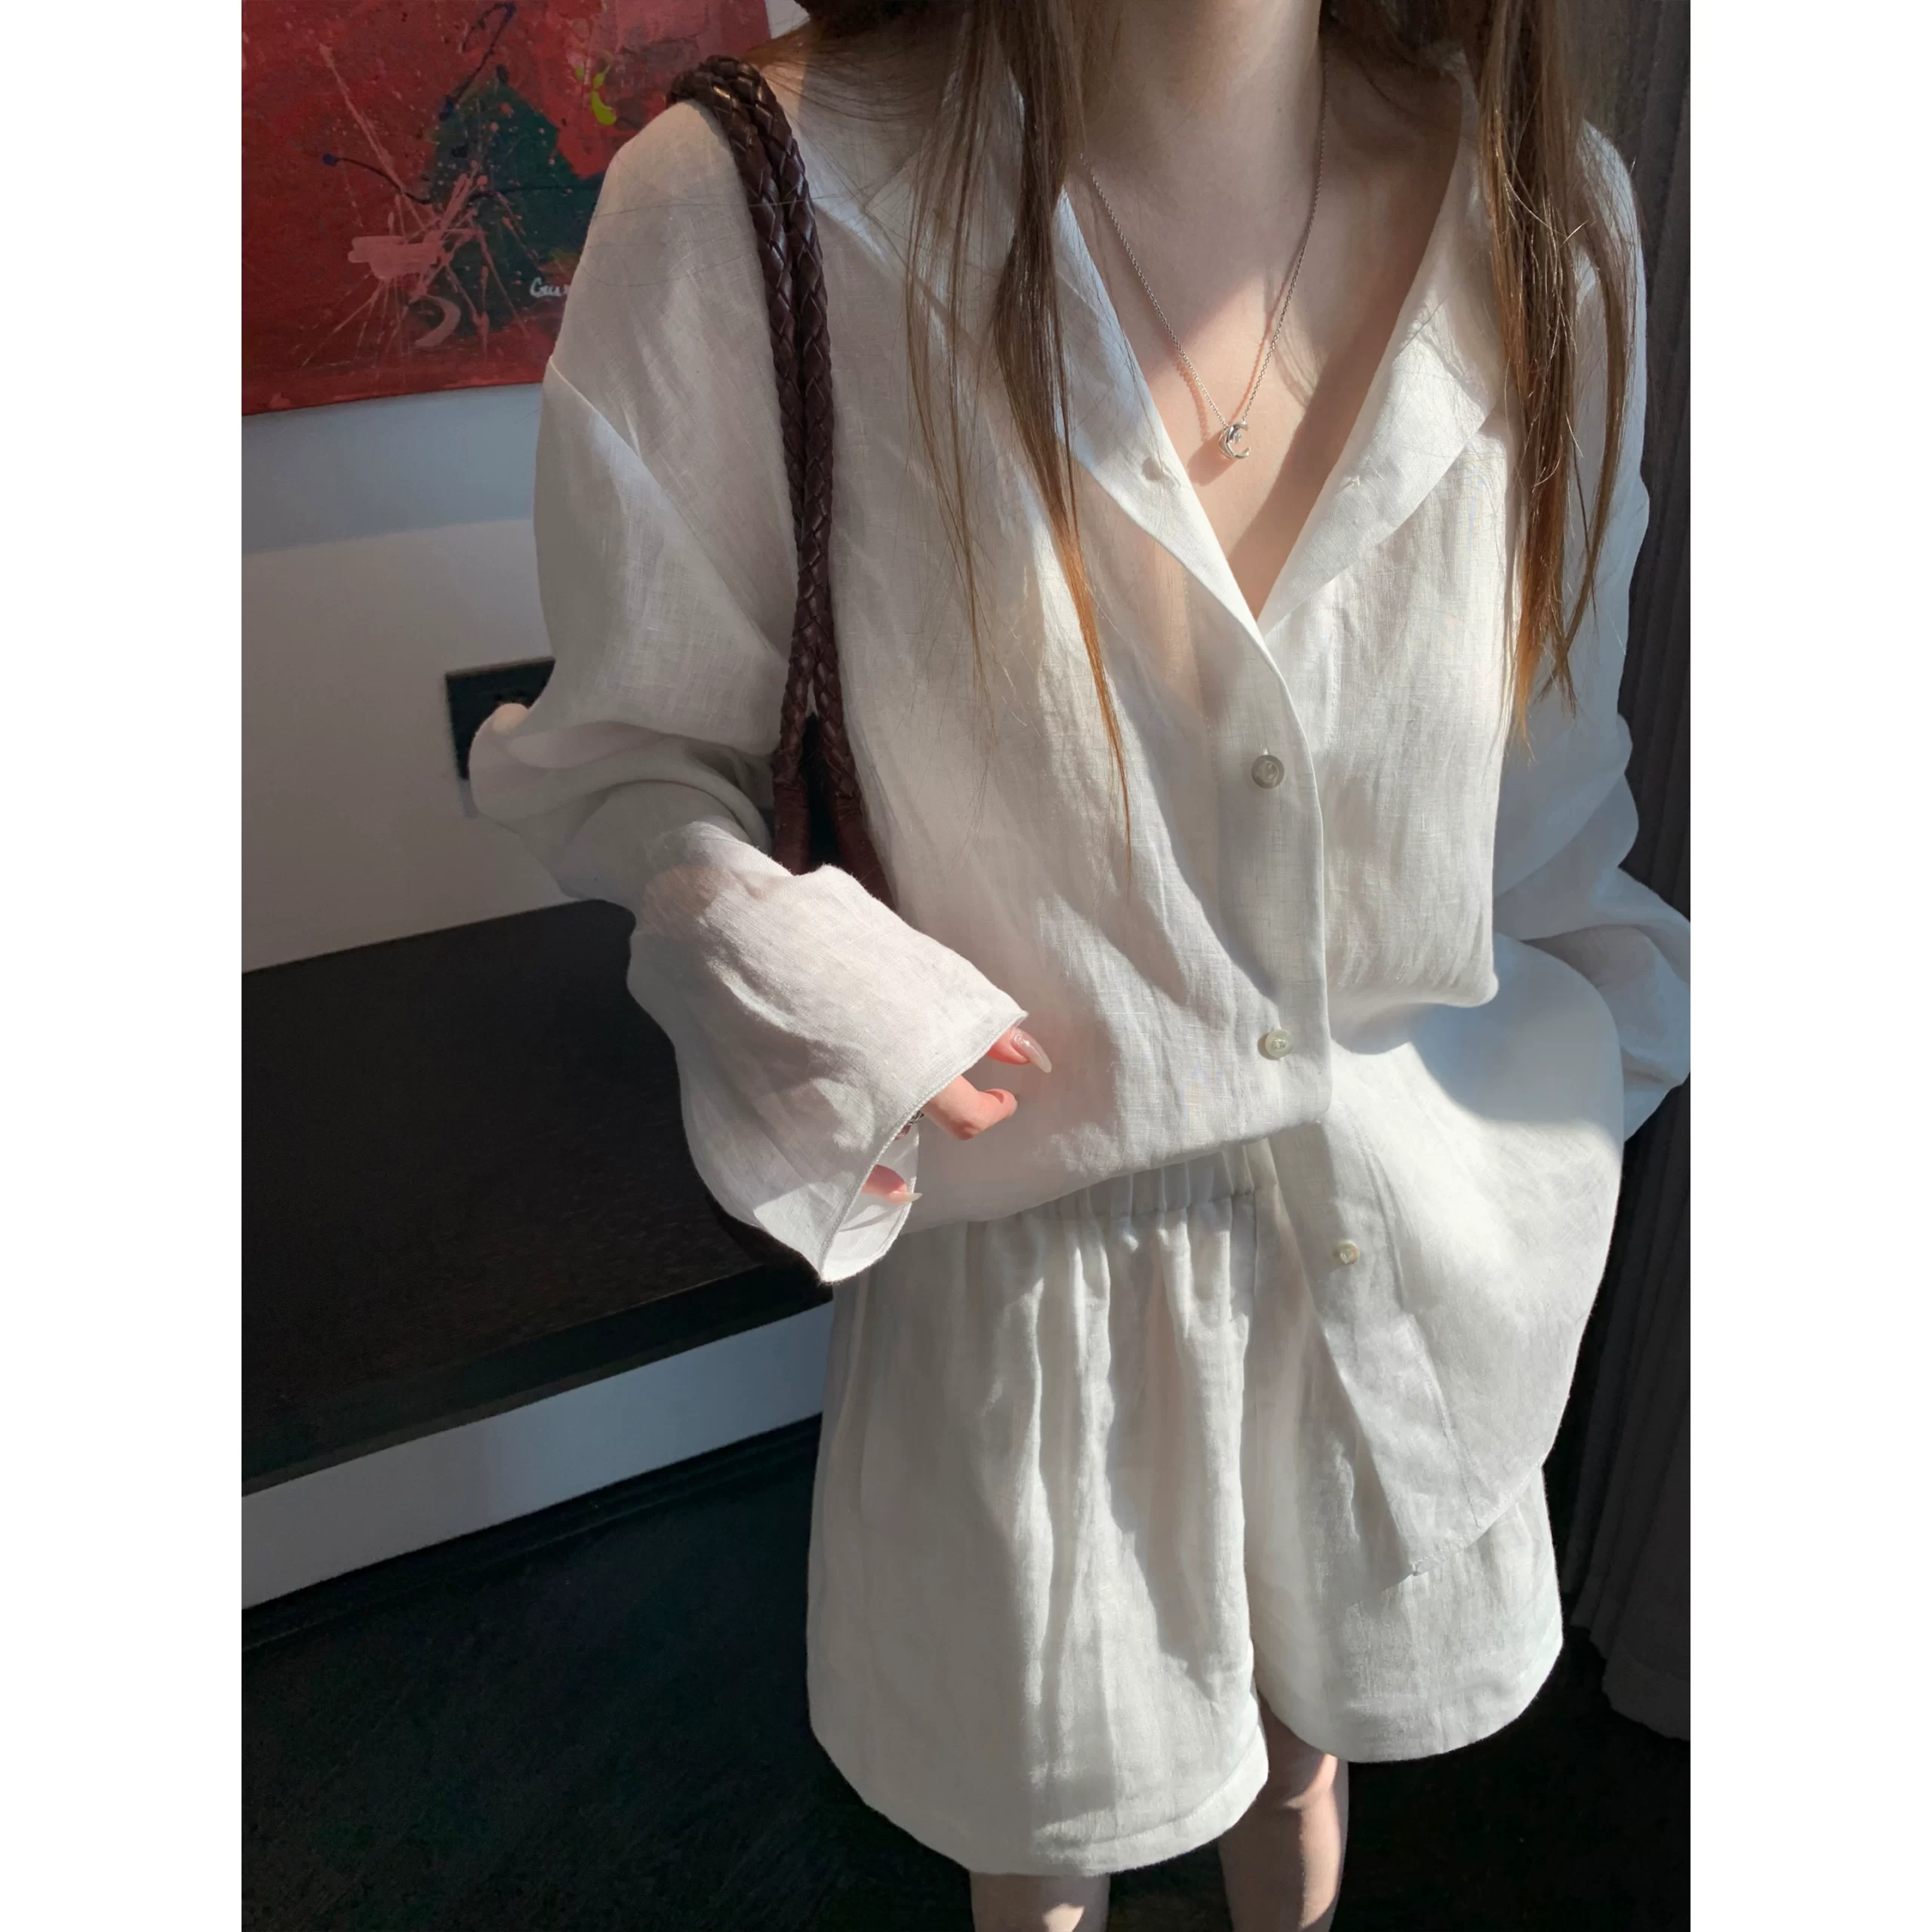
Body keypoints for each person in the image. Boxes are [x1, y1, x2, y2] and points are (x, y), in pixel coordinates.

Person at [468, 1, 1690, 1924]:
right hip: (1027, 1326)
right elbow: (628, 756)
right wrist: (816, 975)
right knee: (1039, 1851)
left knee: (1305, 1771)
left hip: (1408, 1263)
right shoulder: (750, 205)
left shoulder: (1551, 217)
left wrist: (1546, 1136)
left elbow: (1546, 813)